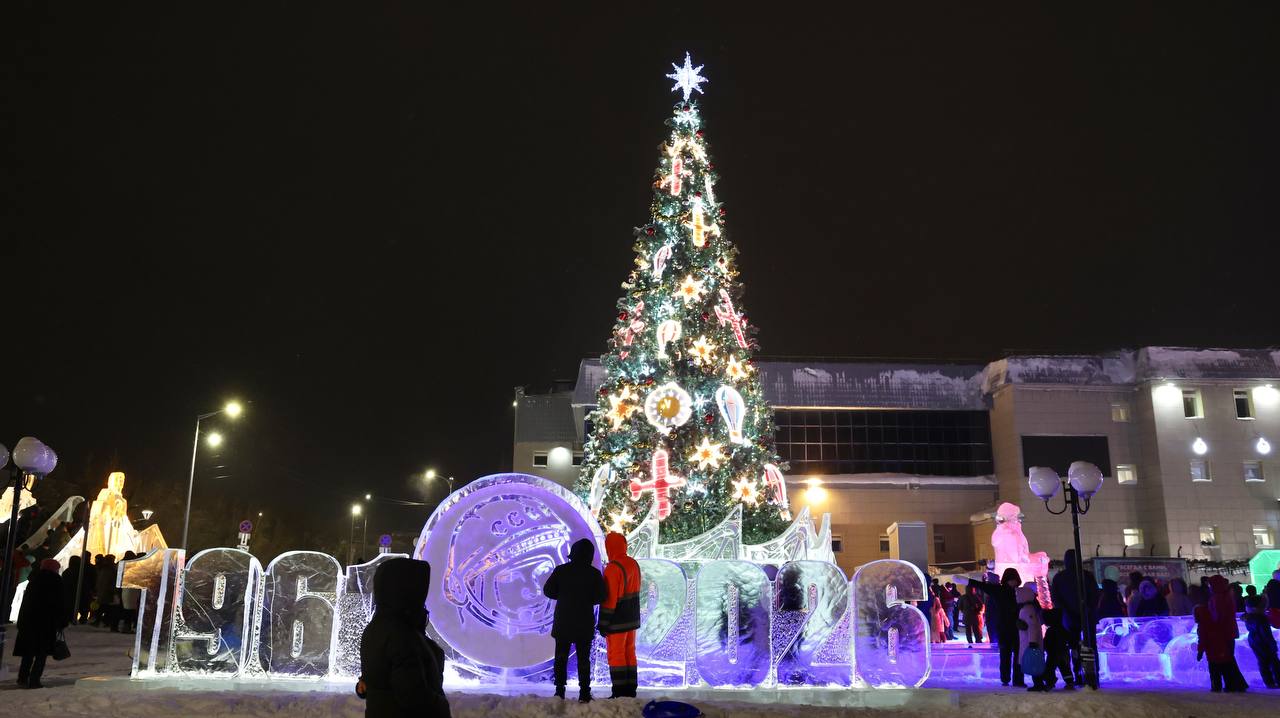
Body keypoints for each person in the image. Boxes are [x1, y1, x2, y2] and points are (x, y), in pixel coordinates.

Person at [356, 557, 450, 717]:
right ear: (405, 591)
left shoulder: (377, 628)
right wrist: (440, 706)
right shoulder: (401, 634)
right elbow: (413, 695)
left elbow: (377, 675)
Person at [542, 538, 606, 702]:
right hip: (584, 622)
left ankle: (559, 691)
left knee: (561, 657)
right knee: (584, 659)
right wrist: (586, 600)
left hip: (563, 620)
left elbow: (548, 591)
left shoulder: (561, 570)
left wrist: (563, 596)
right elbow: (600, 597)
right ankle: (584, 692)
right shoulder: (594, 574)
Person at [958, 568, 1024, 686]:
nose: (1013, 582)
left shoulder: (1020, 592)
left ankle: (1017, 679)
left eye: (1015, 580)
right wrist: (967, 581)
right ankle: (1005, 678)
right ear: (1007, 580)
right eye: (1011, 579)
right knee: (1005, 654)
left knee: (1018, 654)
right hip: (1004, 627)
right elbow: (983, 586)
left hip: (1017, 628)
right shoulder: (999, 590)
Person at [598, 532, 640, 699]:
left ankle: (619, 691)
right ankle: (630, 690)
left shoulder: (613, 568)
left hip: (617, 620)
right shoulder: (633, 564)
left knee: (616, 654)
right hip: (632, 619)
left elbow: (609, 600)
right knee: (630, 652)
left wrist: (603, 623)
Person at [15, 558, 67, 689]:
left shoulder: (33, 580)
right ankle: (34, 680)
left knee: (28, 652)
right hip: (46, 623)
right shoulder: (56, 581)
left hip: (29, 622)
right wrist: (61, 622)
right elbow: (60, 604)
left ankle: (22, 678)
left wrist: (21, 621)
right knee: (41, 654)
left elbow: (26, 603)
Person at [1048, 549, 1095, 685]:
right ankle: (1091, 674)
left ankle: (1076, 673)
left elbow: (1056, 599)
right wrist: (1088, 610)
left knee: (1073, 647)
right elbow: (1094, 595)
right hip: (1086, 617)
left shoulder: (1060, 577)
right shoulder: (1087, 576)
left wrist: (1065, 612)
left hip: (1068, 619)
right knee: (1089, 646)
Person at [1195, 575, 1247, 693]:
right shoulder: (1227, 596)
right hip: (1229, 632)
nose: (1209, 588)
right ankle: (1237, 684)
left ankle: (1234, 684)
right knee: (1229, 659)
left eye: (1210, 585)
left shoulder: (1217, 598)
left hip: (1222, 634)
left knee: (1226, 660)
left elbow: (1217, 618)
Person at [1243, 595, 1280, 688]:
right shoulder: (1261, 618)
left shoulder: (1249, 617)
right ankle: (1276, 681)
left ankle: (1269, 682)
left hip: (1254, 640)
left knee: (1263, 661)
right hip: (1263, 641)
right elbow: (1266, 634)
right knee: (1274, 662)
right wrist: (1272, 644)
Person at [1015, 585, 1047, 692]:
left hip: (1030, 642)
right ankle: (1038, 683)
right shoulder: (1029, 608)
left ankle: (1038, 683)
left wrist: (1032, 642)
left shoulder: (1027, 610)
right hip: (1029, 641)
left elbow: (1032, 626)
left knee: (1033, 663)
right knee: (1034, 662)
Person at [1040, 607, 1075, 690]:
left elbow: (1046, 642)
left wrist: (1043, 647)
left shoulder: (1050, 631)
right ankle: (1069, 682)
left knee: (1049, 668)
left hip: (1053, 653)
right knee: (1065, 668)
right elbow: (1069, 638)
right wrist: (1072, 646)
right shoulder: (1062, 629)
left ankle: (1050, 682)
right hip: (1063, 652)